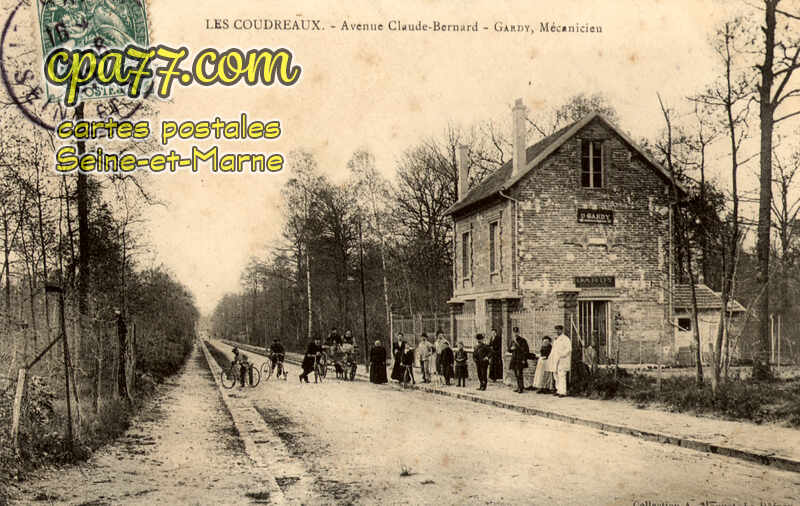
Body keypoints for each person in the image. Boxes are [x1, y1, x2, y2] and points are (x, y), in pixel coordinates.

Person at [509, 328, 531, 393]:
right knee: (516, 374)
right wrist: (511, 348)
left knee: (519, 374)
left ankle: (521, 388)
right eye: (514, 332)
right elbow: (509, 350)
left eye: (517, 332)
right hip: (514, 359)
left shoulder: (523, 340)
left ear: (519, 332)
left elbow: (525, 351)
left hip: (520, 359)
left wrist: (524, 359)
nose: (515, 334)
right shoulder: (512, 340)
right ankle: (519, 386)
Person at [552, 325, 572, 397]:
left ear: (562, 330)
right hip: (556, 360)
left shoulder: (566, 339)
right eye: (556, 330)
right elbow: (554, 350)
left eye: (559, 330)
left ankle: (563, 392)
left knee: (562, 375)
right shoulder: (556, 339)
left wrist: (562, 355)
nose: (557, 331)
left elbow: (569, 349)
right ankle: (558, 390)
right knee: (556, 375)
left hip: (563, 360)